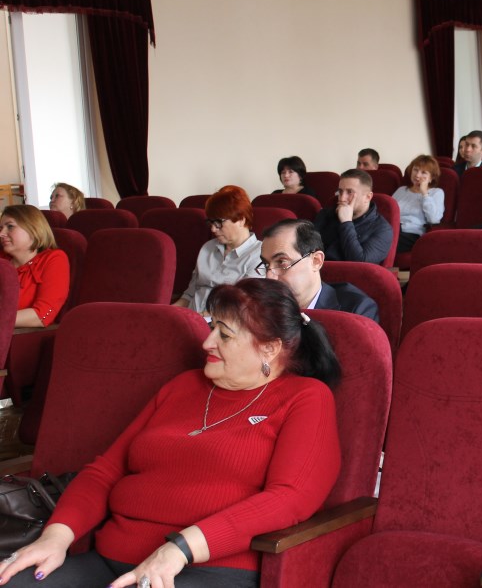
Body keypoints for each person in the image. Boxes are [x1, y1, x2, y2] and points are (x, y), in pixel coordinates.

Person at [0, 279, 340, 588]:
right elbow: (105, 472)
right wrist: (56, 537)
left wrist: (180, 548)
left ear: (269, 348)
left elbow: (290, 498)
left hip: (208, 568)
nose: (207, 341)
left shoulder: (306, 397)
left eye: (224, 334)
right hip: (110, 559)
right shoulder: (184, 385)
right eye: (211, 327)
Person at [259, 219, 378, 322]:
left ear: (316, 261)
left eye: (281, 262)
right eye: (266, 264)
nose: (269, 276)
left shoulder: (355, 310)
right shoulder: (262, 307)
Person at [174, 186, 263, 314]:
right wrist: (168, 312)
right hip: (191, 316)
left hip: (221, 321)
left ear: (241, 220)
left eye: (219, 222)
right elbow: (189, 295)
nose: (213, 229)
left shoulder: (259, 254)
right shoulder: (208, 247)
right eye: (211, 222)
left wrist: (199, 318)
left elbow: (243, 306)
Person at [0, 205, 69, 328]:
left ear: (33, 229)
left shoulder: (54, 259)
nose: (1, 234)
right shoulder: (2, 259)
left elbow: (42, 315)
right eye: (0, 228)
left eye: (10, 227)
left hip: (22, 335)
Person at [313, 170, 393, 264]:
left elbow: (360, 264)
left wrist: (346, 222)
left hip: (347, 273)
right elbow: (306, 249)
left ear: (368, 197)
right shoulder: (325, 214)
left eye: (349, 192)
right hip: (315, 270)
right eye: (340, 192)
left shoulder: (382, 229)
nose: (342, 198)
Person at [392, 155, 444, 253]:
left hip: (411, 233)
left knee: (383, 241)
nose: (417, 175)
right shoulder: (401, 190)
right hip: (391, 229)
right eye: (415, 170)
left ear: (431, 177)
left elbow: (434, 219)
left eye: (423, 172)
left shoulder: (436, 193)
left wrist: (424, 193)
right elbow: (388, 211)